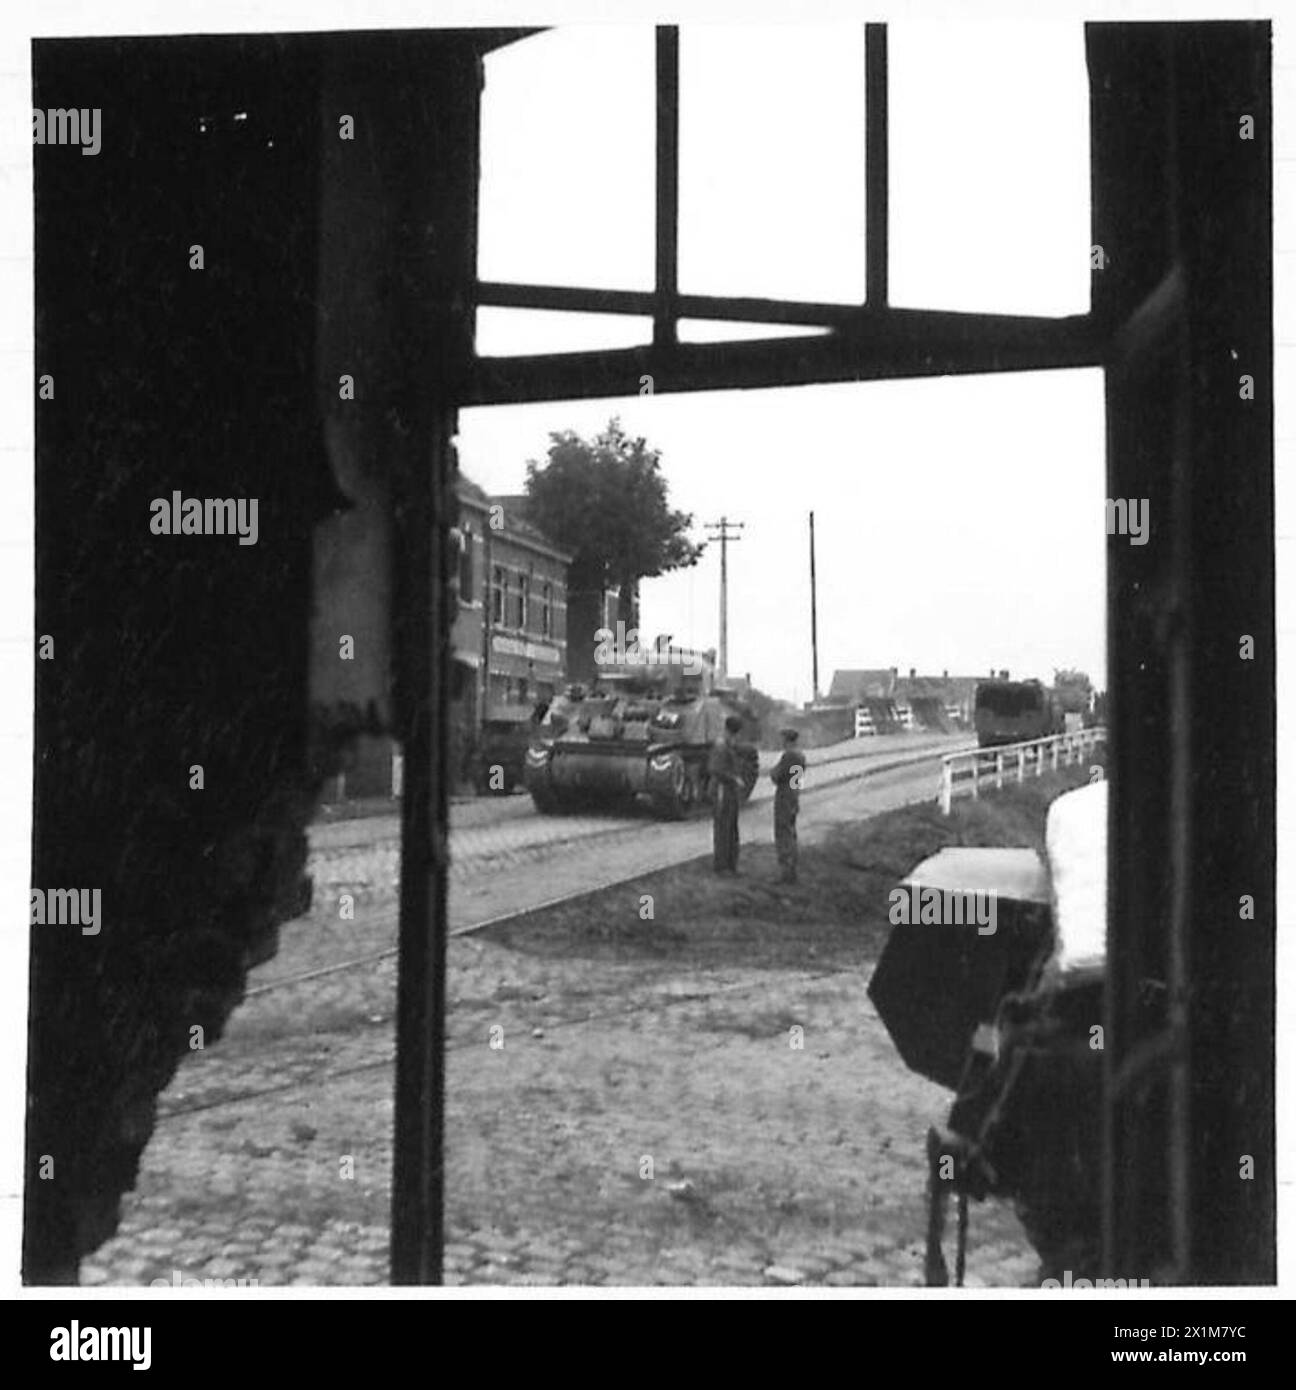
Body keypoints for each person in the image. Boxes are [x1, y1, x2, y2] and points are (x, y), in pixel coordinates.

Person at [708, 714, 744, 873]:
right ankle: (722, 865)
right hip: (723, 789)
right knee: (723, 828)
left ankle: (731, 864)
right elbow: (715, 769)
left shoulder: (728, 744)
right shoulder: (721, 745)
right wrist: (734, 778)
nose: (735, 736)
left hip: (730, 791)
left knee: (731, 829)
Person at [770, 727, 807, 884]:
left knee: (783, 832)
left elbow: (777, 775)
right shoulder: (800, 756)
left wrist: (773, 772)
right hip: (793, 793)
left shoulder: (789, 756)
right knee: (791, 832)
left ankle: (786, 872)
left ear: (787, 740)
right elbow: (795, 779)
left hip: (784, 795)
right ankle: (791, 869)